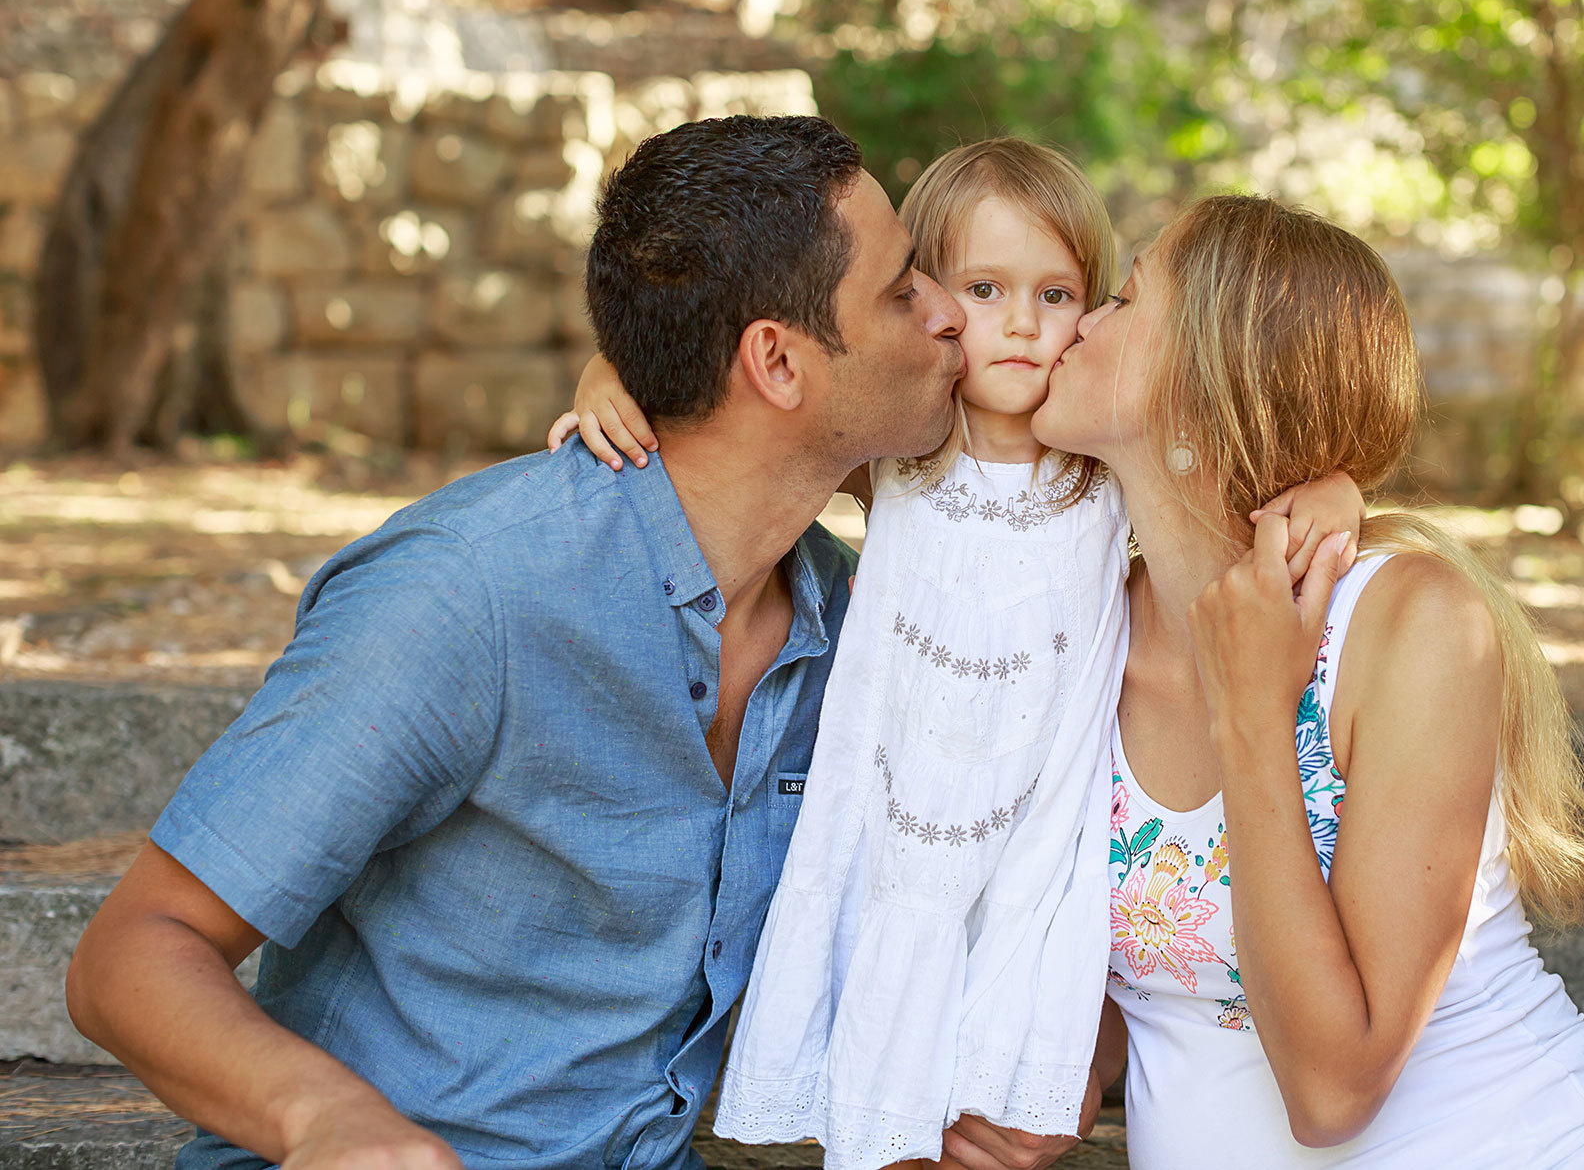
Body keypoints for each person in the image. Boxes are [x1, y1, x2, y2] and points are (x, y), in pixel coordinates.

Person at [63, 114, 967, 1170]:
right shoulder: (467, 592)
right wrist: (331, 1123)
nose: (949, 314)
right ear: (773, 358)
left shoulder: (850, 617)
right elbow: (130, 955)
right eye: (904, 289)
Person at [555, 139, 1365, 1170]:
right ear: (931, 305)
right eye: (985, 289)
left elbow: (1241, 478)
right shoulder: (904, 452)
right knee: (885, 1084)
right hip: (892, 834)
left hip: (1031, 860)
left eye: (1058, 292)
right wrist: (609, 367)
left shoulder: (1099, 474)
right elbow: (738, 393)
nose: (1022, 322)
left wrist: (1336, 489)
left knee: (981, 1121)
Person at [1034, 194, 1584, 1168]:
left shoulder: (1408, 623)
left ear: (1203, 390)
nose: (1079, 319)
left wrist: (1255, 708)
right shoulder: (1079, 629)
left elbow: (1333, 1091)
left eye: (1123, 299)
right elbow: (1135, 991)